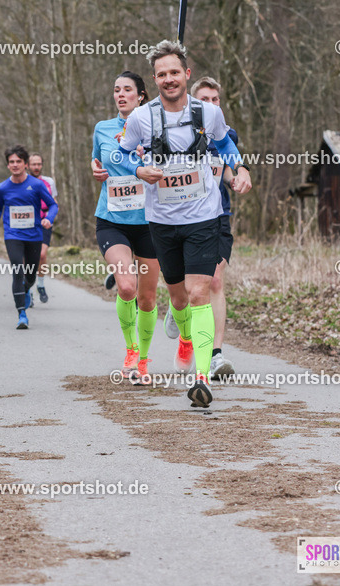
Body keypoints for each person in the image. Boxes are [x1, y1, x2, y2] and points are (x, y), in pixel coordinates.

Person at [118, 40, 251, 408]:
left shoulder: (207, 114)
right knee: (177, 298)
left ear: (186, 74)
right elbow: (124, 152)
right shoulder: (141, 118)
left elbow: (226, 147)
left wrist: (240, 169)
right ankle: (186, 337)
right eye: (162, 74)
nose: (169, 79)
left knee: (199, 292)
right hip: (161, 219)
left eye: (175, 72)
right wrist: (137, 168)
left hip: (204, 216)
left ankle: (202, 377)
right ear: (155, 79)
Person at [90, 72, 162, 385]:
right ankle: (131, 350)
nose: (121, 95)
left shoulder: (155, 128)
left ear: (141, 95)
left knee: (147, 299)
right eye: (116, 90)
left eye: (128, 90)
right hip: (112, 219)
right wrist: (95, 171)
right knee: (127, 287)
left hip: (150, 222)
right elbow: (96, 162)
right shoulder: (102, 128)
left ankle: (144, 360)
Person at [193, 76, 243, 379]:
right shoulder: (178, 132)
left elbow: (227, 169)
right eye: (204, 100)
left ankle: (216, 355)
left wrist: (235, 178)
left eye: (215, 100)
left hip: (218, 213)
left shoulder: (227, 133)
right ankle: (178, 304)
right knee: (189, 285)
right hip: (183, 216)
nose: (211, 105)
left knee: (214, 280)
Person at [0, 145, 57, 330]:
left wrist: (48, 219)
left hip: (34, 235)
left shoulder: (36, 184)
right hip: (13, 235)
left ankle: (26, 289)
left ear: (25, 164)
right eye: (12, 162)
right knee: (17, 270)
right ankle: (22, 314)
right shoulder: (3, 187)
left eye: (19, 161)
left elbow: (53, 205)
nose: (15, 165)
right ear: (8, 165)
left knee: (31, 276)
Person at [27, 153, 57, 304]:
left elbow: (54, 202)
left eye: (39, 164)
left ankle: (40, 284)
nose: (37, 167)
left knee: (42, 255)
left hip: (43, 222)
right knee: (27, 258)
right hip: (26, 224)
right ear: (28, 165)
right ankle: (28, 290)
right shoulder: (22, 181)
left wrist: (50, 218)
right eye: (34, 164)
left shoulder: (48, 182)